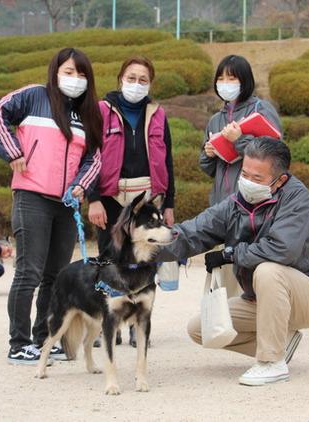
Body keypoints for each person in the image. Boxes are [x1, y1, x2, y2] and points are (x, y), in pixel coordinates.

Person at [156, 137, 309, 386]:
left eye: (257, 178)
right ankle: (282, 344)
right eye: (245, 174)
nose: (248, 182)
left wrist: (231, 254)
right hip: (261, 301)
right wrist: (143, 249)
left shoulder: (295, 197)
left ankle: (271, 362)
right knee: (201, 329)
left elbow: (282, 249)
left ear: (280, 180)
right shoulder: (235, 203)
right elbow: (192, 232)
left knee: (268, 270)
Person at [0, 48, 103, 365]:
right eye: (68, 71)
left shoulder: (87, 114)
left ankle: (44, 339)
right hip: (32, 196)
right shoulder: (34, 96)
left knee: (56, 276)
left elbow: (95, 157)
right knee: (29, 273)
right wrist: (12, 151)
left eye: (81, 74)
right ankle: (18, 343)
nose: (74, 79)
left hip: (65, 204)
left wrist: (80, 185)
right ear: (55, 72)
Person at [86, 56, 176, 347]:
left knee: (145, 260)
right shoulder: (101, 111)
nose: (136, 84)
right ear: (120, 79)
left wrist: (169, 203)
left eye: (143, 79)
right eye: (131, 78)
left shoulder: (158, 114)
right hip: (111, 198)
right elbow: (91, 157)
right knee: (109, 259)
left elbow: (168, 160)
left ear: (150, 83)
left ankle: (140, 325)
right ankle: (107, 324)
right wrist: (94, 198)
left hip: (147, 200)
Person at [199, 54, 283, 299]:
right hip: (223, 205)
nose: (225, 83)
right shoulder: (216, 119)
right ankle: (226, 326)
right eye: (221, 78)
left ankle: (261, 323)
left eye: (232, 77)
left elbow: (274, 156)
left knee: (250, 268)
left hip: (254, 206)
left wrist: (239, 141)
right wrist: (208, 153)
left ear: (245, 80)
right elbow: (209, 169)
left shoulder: (261, 110)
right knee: (223, 270)